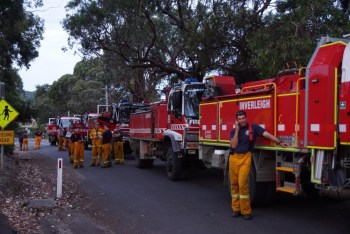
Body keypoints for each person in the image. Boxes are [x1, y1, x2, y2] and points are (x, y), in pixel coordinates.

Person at [229, 110, 289, 220]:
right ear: (237, 121)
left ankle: (246, 211)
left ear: (246, 118)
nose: (242, 120)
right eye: (239, 119)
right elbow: (233, 145)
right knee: (234, 184)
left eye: (243, 118)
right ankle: (236, 209)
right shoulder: (233, 131)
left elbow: (267, 135)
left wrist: (280, 142)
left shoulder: (254, 128)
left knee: (242, 184)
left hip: (246, 158)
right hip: (233, 158)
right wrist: (237, 130)